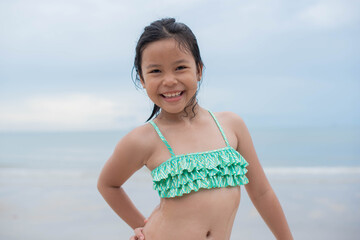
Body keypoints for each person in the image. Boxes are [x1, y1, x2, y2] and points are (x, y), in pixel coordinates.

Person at [97, 18, 293, 240]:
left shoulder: (230, 125)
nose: (169, 80)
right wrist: (141, 226)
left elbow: (262, 193)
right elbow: (108, 184)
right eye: (155, 71)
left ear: (198, 70)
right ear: (142, 79)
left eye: (180, 67)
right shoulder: (143, 139)